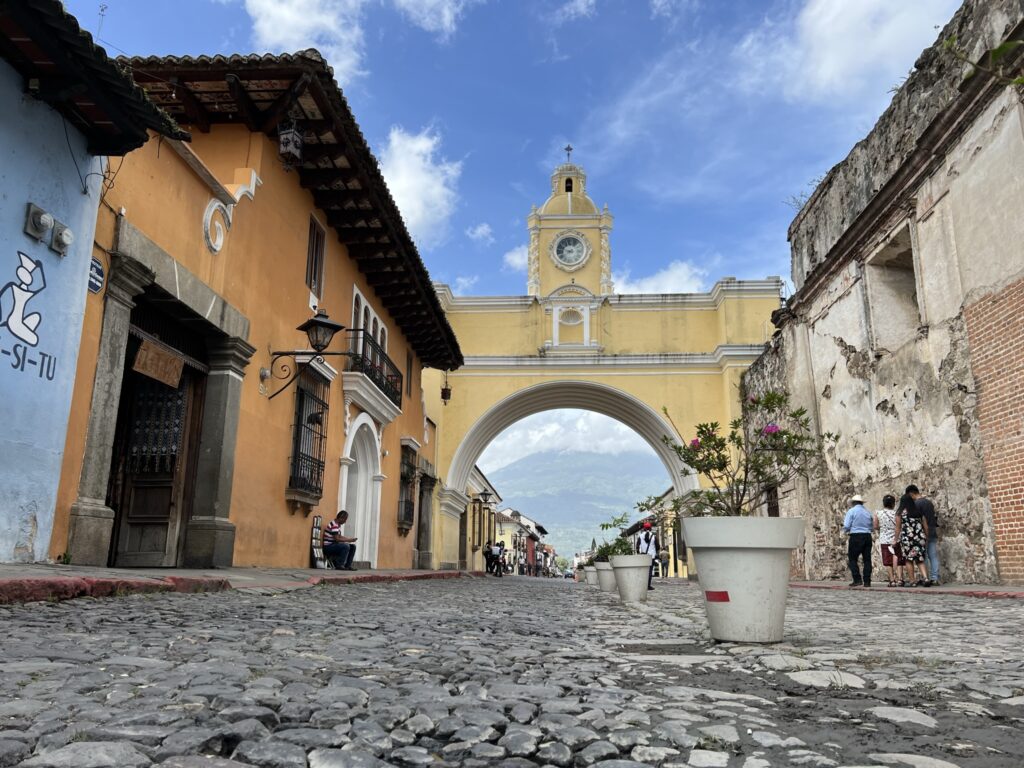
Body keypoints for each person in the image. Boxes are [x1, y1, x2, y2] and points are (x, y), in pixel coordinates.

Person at [895, 489, 928, 586]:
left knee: (909, 560)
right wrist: (926, 537)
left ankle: (912, 581)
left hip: (907, 540)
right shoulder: (918, 511)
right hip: (919, 538)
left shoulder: (900, 513)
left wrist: (895, 539)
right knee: (920, 559)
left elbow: (898, 528)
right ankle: (926, 578)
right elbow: (925, 526)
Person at [909, 484, 940, 585]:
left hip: (922, 532)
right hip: (932, 530)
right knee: (933, 556)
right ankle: (935, 578)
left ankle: (925, 577)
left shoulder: (916, 504)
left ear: (912, 494)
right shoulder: (929, 502)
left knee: (923, 556)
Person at [842, 494, 874, 588]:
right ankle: (867, 581)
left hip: (856, 536)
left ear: (853, 503)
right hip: (867, 536)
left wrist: (845, 530)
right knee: (867, 559)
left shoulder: (851, 511)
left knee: (852, 559)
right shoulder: (868, 512)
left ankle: (857, 579)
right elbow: (871, 527)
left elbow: (847, 525)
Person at [874, 494, 905, 587]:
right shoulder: (897, 513)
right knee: (899, 560)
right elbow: (898, 527)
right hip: (896, 539)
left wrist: (883, 528)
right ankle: (900, 579)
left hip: (884, 539)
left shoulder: (878, 513)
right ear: (893, 503)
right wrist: (895, 539)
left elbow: (875, 526)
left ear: (883, 503)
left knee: (888, 561)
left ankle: (892, 581)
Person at [636, 521, 659, 591]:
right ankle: (648, 586)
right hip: (651, 556)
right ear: (650, 528)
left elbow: (637, 546)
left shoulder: (640, 536)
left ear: (644, 528)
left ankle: (642, 585)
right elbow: (657, 546)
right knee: (650, 571)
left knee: (643, 571)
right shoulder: (654, 537)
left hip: (643, 555)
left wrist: (638, 553)